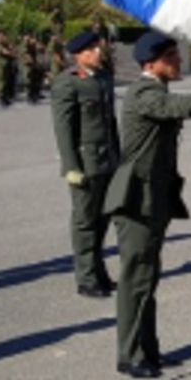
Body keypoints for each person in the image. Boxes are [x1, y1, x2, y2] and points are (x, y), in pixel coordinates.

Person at [104, 33, 191, 378]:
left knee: (147, 279)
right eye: (170, 57)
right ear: (150, 64)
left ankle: (148, 349)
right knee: (136, 278)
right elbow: (188, 107)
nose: (178, 61)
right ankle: (130, 354)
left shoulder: (156, 92)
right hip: (136, 200)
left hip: (155, 198)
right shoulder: (143, 94)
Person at [51, 30, 121, 298]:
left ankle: (99, 272)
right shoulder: (68, 83)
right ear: (77, 55)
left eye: (97, 48)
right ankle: (86, 277)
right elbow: (63, 128)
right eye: (90, 49)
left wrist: (119, 156)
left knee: (102, 219)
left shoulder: (103, 78)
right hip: (85, 162)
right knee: (85, 221)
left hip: (107, 159)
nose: (97, 53)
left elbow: (109, 123)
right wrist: (71, 166)